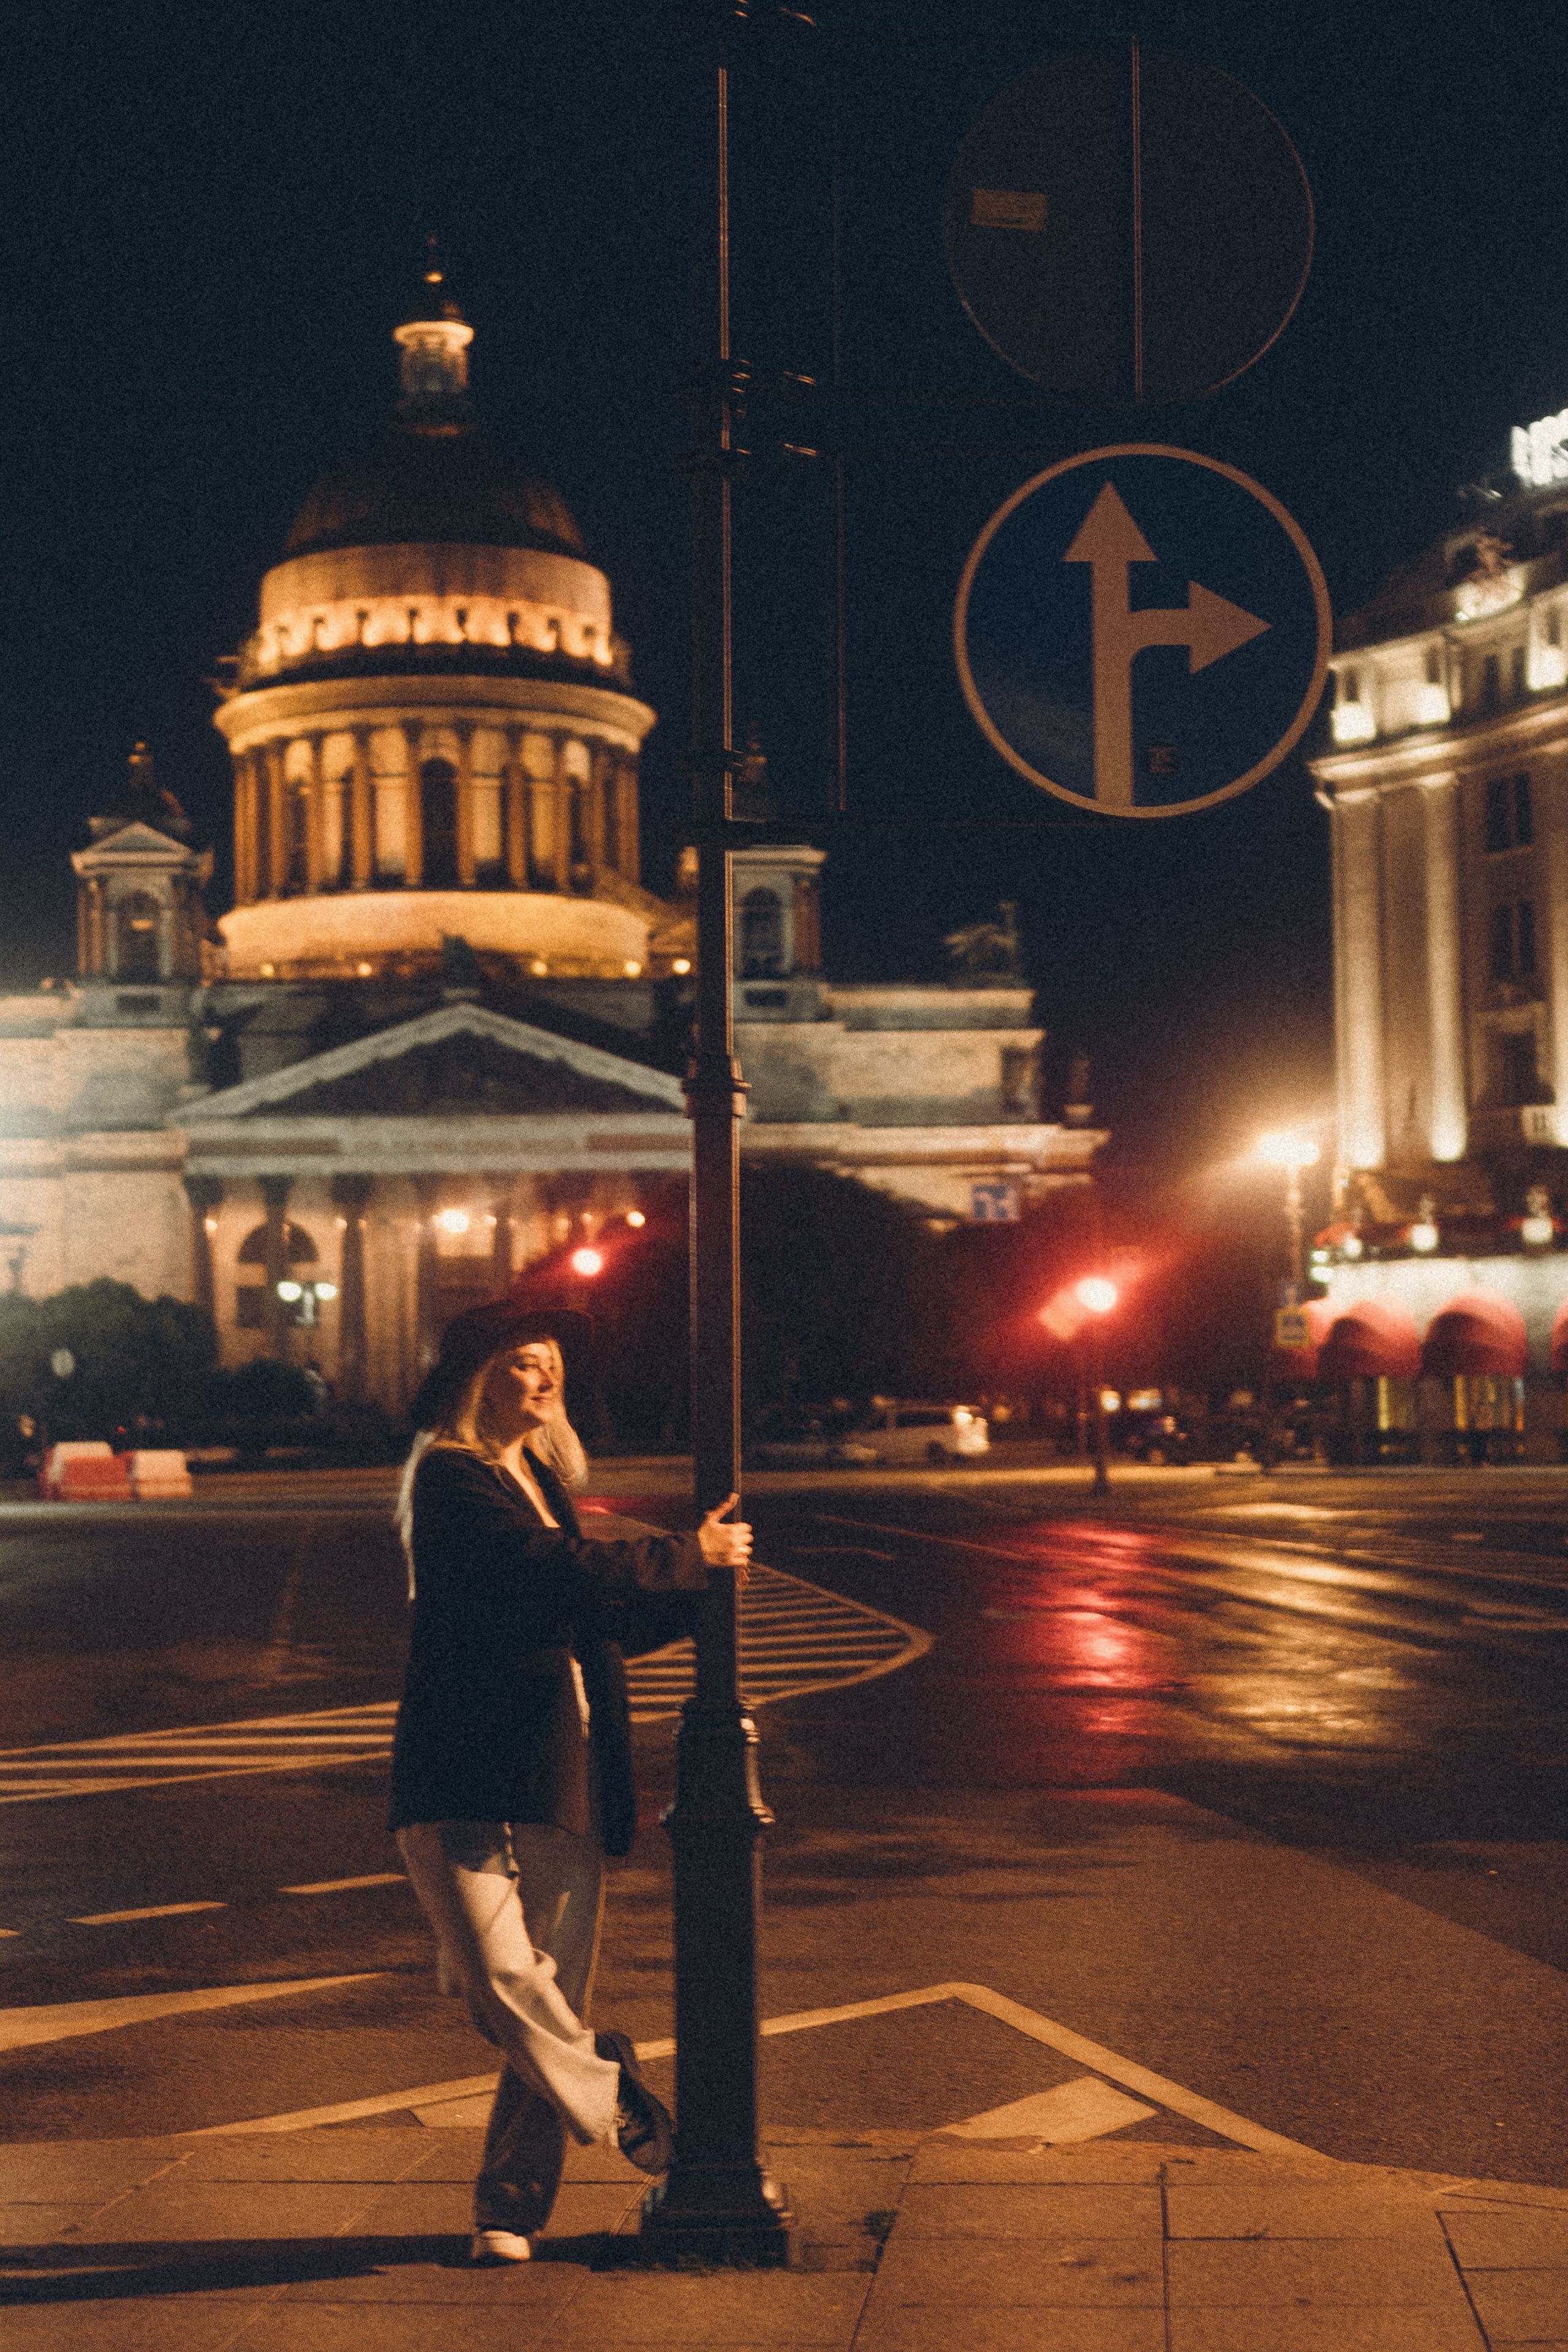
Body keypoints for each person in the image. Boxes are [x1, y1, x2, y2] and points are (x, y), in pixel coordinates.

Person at [388, 1298, 752, 2264]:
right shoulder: (452, 1477)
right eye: (524, 1362)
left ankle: (510, 2208)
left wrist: (698, 1584)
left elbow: (592, 1612)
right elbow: (547, 1573)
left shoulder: (542, 1473)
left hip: (564, 1759)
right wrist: (685, 1557)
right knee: (498, 1982)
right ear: (477, 1376)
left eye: (552, 1364)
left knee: (536, 1993)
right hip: (461, 1764)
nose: (547, 1378)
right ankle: (610, 2082)